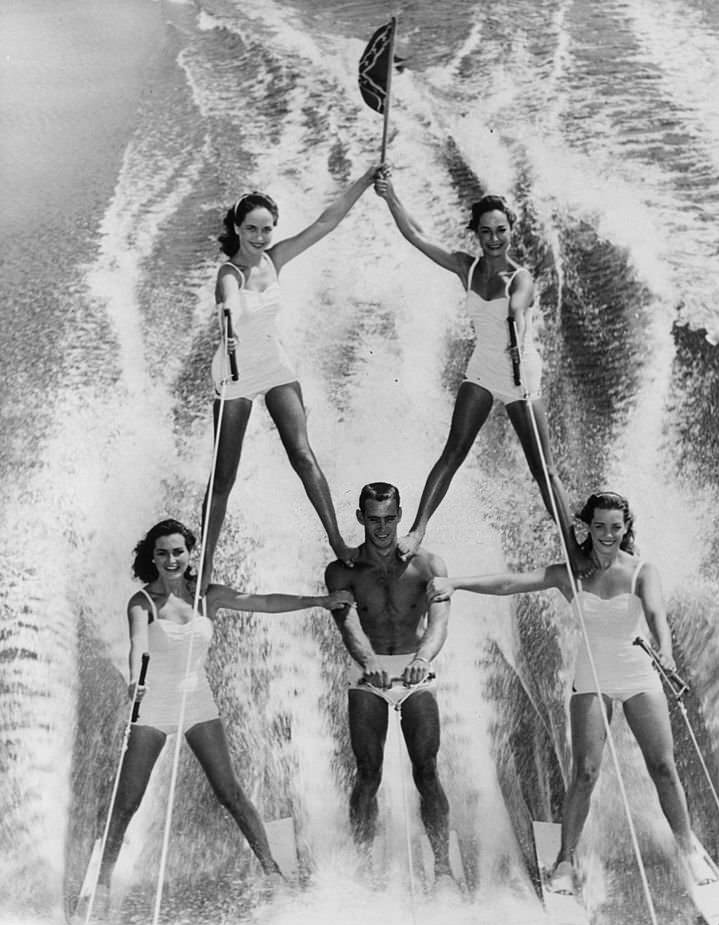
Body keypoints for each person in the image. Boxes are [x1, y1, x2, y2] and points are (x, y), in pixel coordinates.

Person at [427, 491, 714, 892]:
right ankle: (565, 860)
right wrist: (455, 583)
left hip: (637, 675)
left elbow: (655, 615)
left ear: (626, 527)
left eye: (616, 527)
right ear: (587, 528)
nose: (608, 535)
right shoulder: (571, 574)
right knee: (585, 772)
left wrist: (665, 652)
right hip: (591, 677)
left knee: (663, 767)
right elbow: (511, 583)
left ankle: (688, 850)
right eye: (599, 527)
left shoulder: (642, 571)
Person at [94, 518, 353, 909]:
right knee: (128, 801)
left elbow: (263, 602)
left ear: (189, 553)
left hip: (197, 701)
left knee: (229, 792)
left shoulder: (206, 597)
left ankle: (271, 872)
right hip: (154, 706)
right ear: (153, 556)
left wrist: (319, 601)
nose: (171, 559)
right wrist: (135, 679)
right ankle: (100, 884)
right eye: (162, 553)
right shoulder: (142, 602)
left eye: (177, 551)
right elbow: (137, 644)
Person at [374, 172, 584, 571]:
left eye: (501, 230)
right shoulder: (465, 268)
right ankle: (417, 531)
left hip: (520, 372)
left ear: (511, 231)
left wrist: (518, 337)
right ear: (476, 232)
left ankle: (572, 552)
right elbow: (416, 235)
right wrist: (391, 197)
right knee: (453, 451)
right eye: (486, 231)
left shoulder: (520, 277)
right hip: (485, 367)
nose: (494, 238)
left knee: (544, 468)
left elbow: (520, 308)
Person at [202, 167, 378, 590]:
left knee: (303, 455)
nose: (260, 237)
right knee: (224, 477)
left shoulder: (274, 258)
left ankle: (338, 542)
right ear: (236, 228)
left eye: (266, 229)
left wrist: (367, 180)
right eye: (251, 229)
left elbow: (326, 222)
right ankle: (203, 569)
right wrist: (228, 318)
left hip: (274, 364)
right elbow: (228, 302)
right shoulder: (230, 273)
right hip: (236, 371)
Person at [324, 482, 456, 887]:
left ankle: (444, 868)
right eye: (374, 520)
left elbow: (439, 624)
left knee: (427, 770)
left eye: (389, 519)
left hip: (416, 669)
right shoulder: (341, 570)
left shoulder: (428, 565)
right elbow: (347, 624)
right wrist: (368, 662)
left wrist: (421, 660)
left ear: (400, 517)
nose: (382, 529)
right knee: (368, 772)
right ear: (361, 519)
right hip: (369, 673)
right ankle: (363, 868)